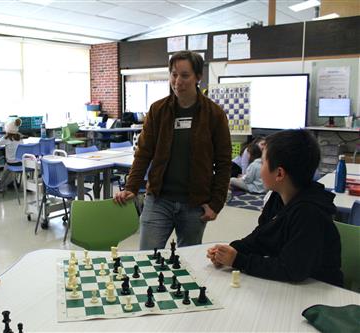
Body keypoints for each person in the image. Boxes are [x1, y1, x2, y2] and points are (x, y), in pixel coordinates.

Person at [114, 51, 232, 250]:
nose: (178, 81)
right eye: (174, 74)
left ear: (198, 77)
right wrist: (132, 186)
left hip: (195, 203)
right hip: (159, 199)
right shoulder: (157, 110)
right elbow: (144, 153)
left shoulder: (214, 114)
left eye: (185, 75)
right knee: (147, 259)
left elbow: (223, 162)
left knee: (187, 264)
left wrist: (216, 203)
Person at [207, 129, 343, 287]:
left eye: (263, 162)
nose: (258, 165)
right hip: (290, 287)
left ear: (279, 174)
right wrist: (230, 250)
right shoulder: (277, 197)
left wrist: (238, 260)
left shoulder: (309, 213)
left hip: (318, 291)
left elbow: (291, 270)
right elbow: (260, 238)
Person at [0, 118, 23, 192]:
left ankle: (1, 185)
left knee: (6, 167)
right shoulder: (20, 137)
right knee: (8, 167)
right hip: (21, 163)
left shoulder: (6, 138)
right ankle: (10, 182)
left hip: (11, 163)